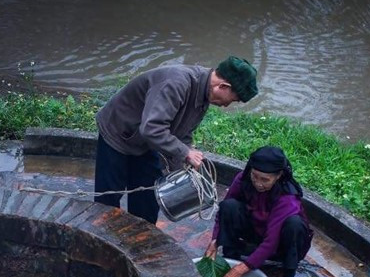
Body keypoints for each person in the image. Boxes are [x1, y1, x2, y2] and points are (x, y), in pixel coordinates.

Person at [94, 56, 259, 224]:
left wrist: (183, 167)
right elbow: (151, 128)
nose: (227, 105)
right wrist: (185, 152)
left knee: (147, 198)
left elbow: (183, 133)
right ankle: (101, 235)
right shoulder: (176, 83)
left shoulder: (204, 95)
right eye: (233, 100)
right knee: (109, 195)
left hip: (146, 141)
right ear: (223, 86)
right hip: (118, 133)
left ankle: (140, 238)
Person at [203, 145, 313, 277]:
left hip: (280, 245)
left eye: (265, 180)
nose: (258, 183)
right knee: (229, 206)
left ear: (278, 176)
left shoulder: (287, 198)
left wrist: (242, 269)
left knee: (294, 224)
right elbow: (223, 212)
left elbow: (271, 241)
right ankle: (231, 259)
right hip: (255, 233)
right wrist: (215, 240)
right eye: (255, 176)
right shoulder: (243, 179)